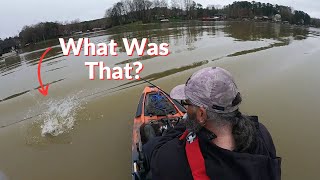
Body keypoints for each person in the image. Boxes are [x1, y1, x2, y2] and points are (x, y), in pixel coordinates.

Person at [143, 67, 281, 180]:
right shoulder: (261, 133)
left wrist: (188, 122)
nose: (185, 107)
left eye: (187, 103)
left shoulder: (172, 159)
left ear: (201, 114)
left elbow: (151, 151)